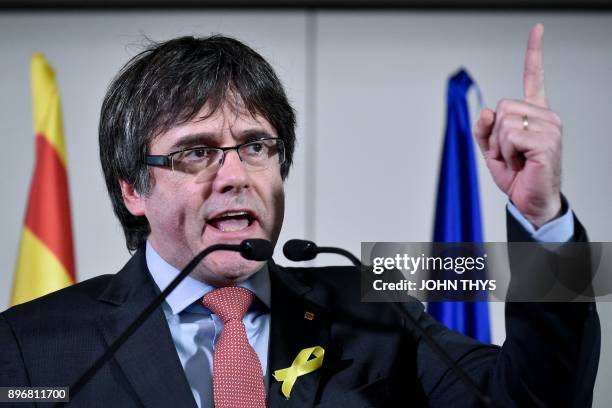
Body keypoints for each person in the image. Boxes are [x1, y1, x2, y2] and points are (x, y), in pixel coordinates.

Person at [0, 24, 600, 407]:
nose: (235, 175)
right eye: (197, 152)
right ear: (133, 188)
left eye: (257, 146)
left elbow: (533, 399)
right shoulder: (32, 347)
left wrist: (542, 219)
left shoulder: (371, 300)